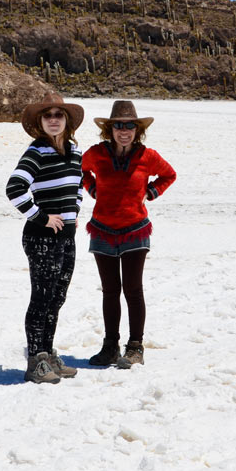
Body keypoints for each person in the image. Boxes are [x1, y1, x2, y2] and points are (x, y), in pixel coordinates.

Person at [81, 100, 176, 368]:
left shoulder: (147, 156)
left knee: (133, 290)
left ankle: (135, 347)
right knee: (110, 291)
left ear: (137, 130)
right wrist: (92, 189)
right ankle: (110, 346)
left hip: (135, 230)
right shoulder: (96, 153)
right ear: (109, 129)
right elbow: (81, 170)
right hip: (102, 229)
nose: (124, 131)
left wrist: (152, 192)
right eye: (119, 126)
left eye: (130, 126)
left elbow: (169, 175)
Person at [6, 92, 85, 384]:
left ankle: (49, 354)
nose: (54, 120)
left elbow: (77, 187)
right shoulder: (36, 151)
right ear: (40, 121)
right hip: (41, 236)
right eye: (48, 115)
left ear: (67, 121)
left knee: (57, 296)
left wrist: (73, 212)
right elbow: (15, 188)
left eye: (59, 115)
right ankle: (36, 360)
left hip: (67, 235)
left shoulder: (75, 152)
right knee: (41, 298)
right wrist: (41, 216)